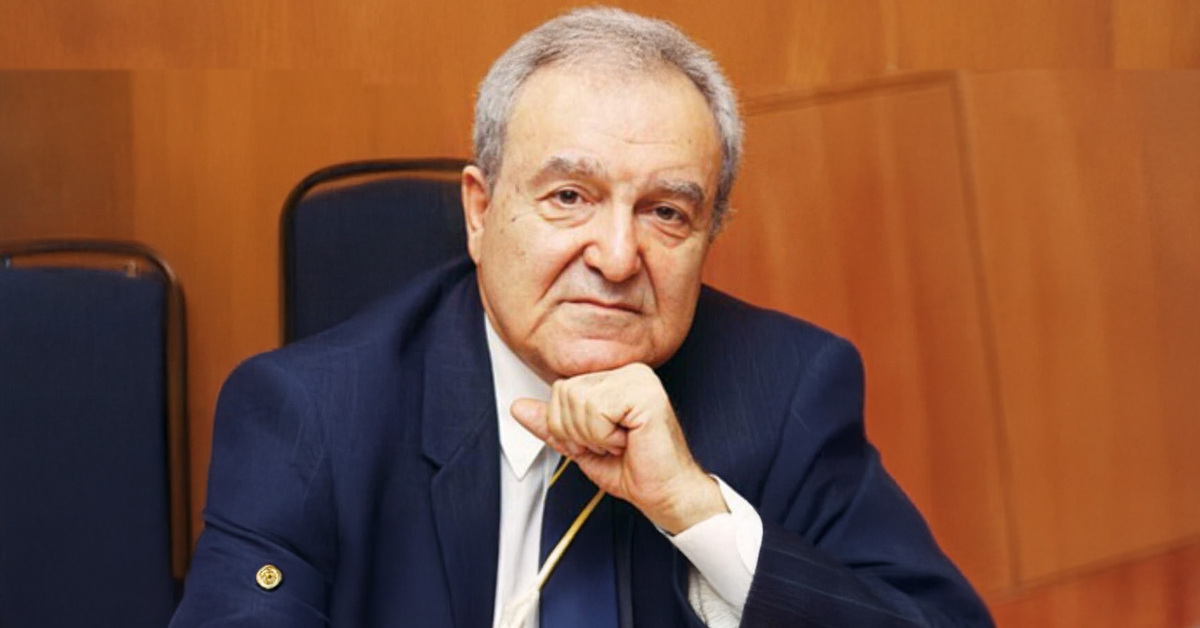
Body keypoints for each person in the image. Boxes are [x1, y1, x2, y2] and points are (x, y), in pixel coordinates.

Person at [171, 7, 993, 627]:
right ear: (480, 211)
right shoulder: (311, 415)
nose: (618, 257)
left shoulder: (783, 391)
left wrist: (697, 512)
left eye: (666, 212)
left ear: (708, 235)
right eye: (570, 197)